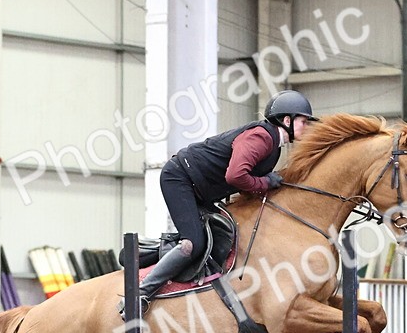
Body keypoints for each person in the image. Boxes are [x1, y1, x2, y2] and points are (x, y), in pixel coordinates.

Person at [122, 89, 319, 318]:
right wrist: (265, 182)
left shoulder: (273, 146)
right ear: (287, 120)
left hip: (201, 188)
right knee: (192, 244)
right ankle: (139, 296)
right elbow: (235, 176)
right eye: (303, 121)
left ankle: (143, 254)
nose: (307, 126)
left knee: (219, 237)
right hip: (180, 179)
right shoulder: (262, 137)